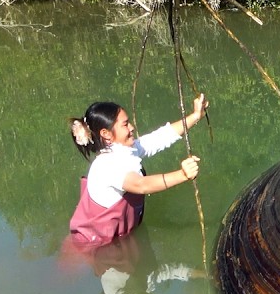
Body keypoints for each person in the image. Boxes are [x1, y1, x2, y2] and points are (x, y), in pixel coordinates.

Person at [68, 94, 208, 246]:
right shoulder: (106, 165)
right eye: (125, 124)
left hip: (116, 238)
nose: (132, 127)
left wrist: (195, 116)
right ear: (106, 134)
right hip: (97, 246)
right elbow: (141, 185)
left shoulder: (125, 150)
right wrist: (182, 175)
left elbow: (160, 137)